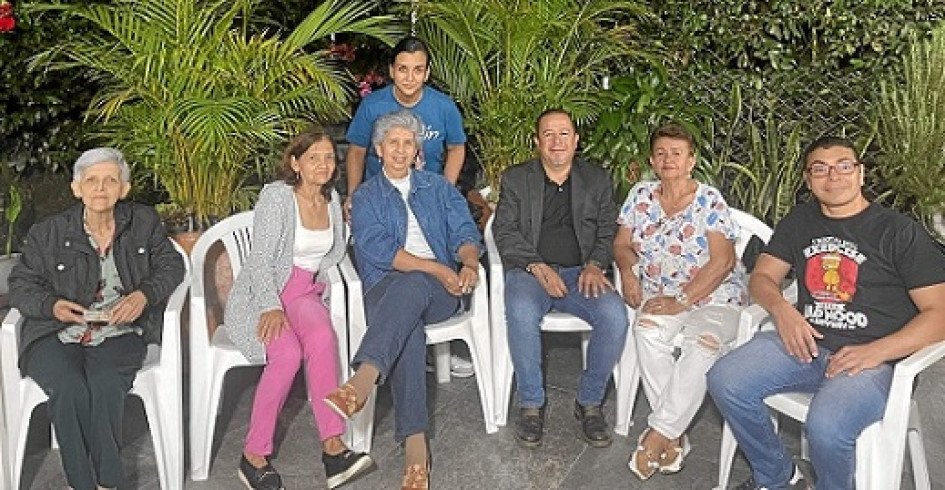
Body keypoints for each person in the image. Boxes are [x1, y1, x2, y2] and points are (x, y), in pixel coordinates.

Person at [707, 136, 945, 490]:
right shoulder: (800, 222)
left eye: (843, 166)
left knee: (827, 427)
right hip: (807, 345)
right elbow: (762, 278)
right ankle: (778, 477)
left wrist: (877, 351)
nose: (833, 176)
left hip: (875, 362)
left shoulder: (898, 232)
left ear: (861, 174)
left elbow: (938, 313)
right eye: (820, 169)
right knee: (725, 379)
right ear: (808, 179)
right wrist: (781, 309)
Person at [7, 148, 185, 490]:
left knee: (105, 385)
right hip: (55, 332)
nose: (100, 188)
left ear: (124, 188)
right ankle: (81, 483)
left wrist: (143, 294)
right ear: (77, 189)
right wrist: (52, 305)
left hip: (120, 331)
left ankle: (108, 482)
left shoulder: (142, 221)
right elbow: (20, 284)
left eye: (110, 180)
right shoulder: (49, 232)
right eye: (91, 180)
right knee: (69, 387)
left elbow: (171, 266)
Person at [324, 110, 482, 490]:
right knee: (407, 324)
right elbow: (379, 251)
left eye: (407, 143)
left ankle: (363, 380)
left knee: (413, 287)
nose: (399, 149)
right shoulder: (366, 197)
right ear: (378, 150)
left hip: (440, 292)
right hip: (387, 288)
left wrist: (467, 264)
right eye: (392, 142)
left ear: (417, 150)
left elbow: (464, 231)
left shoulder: (439, 188)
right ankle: (416, 451)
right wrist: (437, 269)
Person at [224, 129, 373, 490]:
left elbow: (333, 251)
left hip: (304, 291)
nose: (323, 164)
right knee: (287, 354)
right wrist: (271, 307)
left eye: (327, 157)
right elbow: (259, 260)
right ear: (295, 163)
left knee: (323, 338)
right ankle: (253, 455)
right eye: (313, 158)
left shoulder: (331, 198)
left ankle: (333, 449)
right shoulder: (278, 197)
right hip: (264, 295)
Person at [613, 123, 747, 480]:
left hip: (716, 296)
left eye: (676, 153)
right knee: (646, 332)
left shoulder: (709, 200)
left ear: (691, 161)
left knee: (701, 346)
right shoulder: (640, 195)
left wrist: (684, 300)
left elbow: (723, 261)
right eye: (661, 153)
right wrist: (627, 272)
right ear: (652, 162)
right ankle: (674, 437)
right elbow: (621, 244)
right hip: (660, 293)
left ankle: (657, 435)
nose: (668, 159)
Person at [492, 108, 629, 448]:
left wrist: (597, 263)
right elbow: (504, 231)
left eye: (563, 134)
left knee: (614, 315)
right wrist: (537, 266)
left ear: (576, 140)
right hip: (530, 271)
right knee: (522, 311)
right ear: (537, 141)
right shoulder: (516, 178)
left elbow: (608, 228)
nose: (556, 142)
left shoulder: (596, 179)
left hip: (581, 272)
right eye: (548, 135)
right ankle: (531, 403)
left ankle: (589, 401)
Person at [345, 35, 472, 378]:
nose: (410, 77)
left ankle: (370, 370)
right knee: (407, 278)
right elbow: (356, 151)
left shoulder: (443, 106)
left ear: (427, 73)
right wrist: (353, 194)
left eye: (417, 70)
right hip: (385, 200)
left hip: (427, 200)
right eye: (403, 69)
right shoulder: (373, 107)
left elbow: (457, 147)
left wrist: (443, 186)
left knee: (433, 264)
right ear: (391, 71)